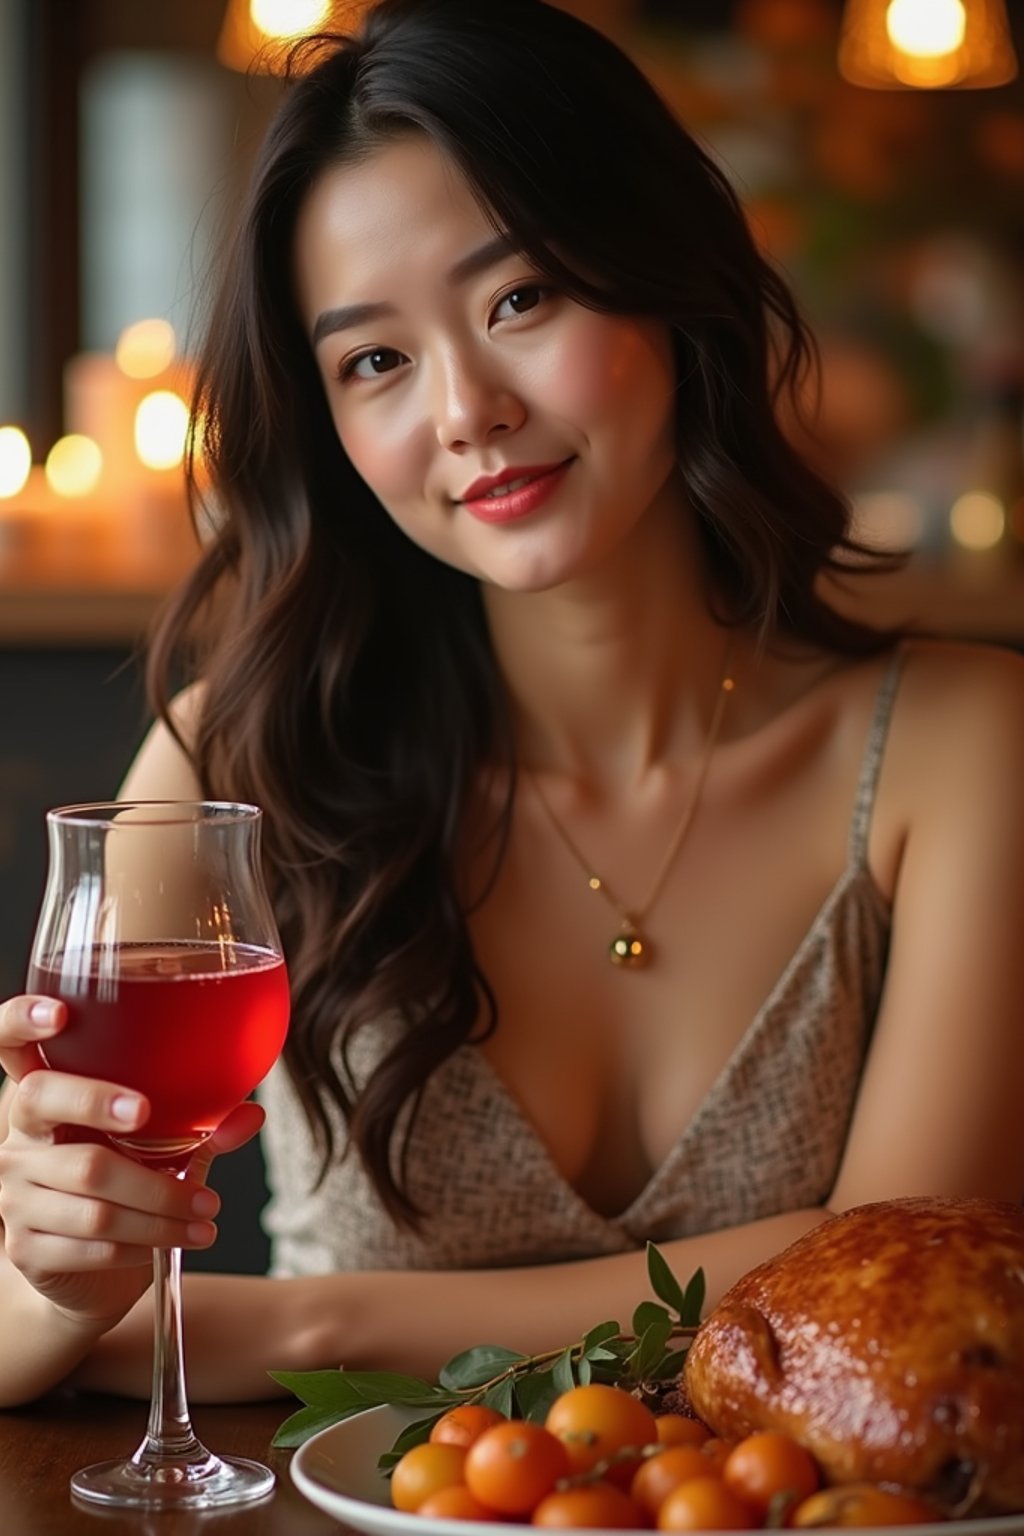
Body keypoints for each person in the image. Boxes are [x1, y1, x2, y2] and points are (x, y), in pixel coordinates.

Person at [0, 0, 1021, 1410]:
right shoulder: (247, 761)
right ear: (329, 426)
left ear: (666, 279)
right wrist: (55, 1272)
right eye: (376, 360)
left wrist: (302, 1326)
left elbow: (903, 1300)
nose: (467, 408)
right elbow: (18, 1332)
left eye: (520, 298)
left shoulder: (960, 750)